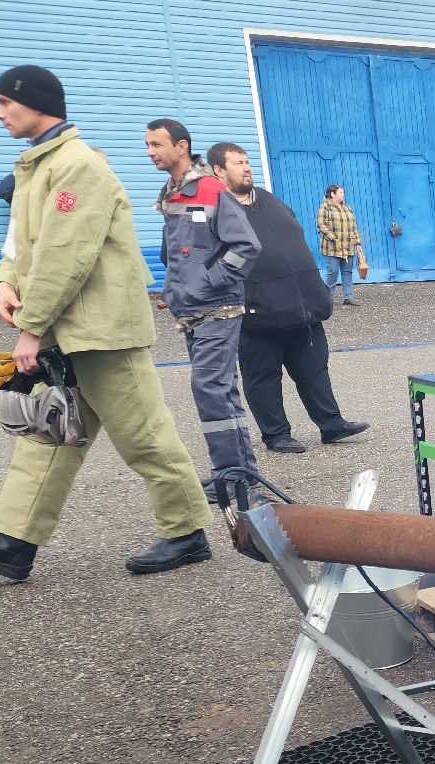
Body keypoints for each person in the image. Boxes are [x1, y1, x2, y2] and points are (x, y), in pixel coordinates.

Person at [0, 66, 214, 582]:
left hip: (104, 331)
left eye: (3, 102)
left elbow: (68, 254)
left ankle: (187, 532)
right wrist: (4, 283)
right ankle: (13, 542)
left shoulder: (79, 167)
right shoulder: (33, 169)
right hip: (67, 328)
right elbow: (20, 244)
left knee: (144, 435)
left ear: (35, 103)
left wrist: (31, 327)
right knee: (49, 432)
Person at [207, 143, 369, 451]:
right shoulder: (213, 209)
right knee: (263, 378)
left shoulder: (268, 199)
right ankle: (276, 434)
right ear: (219, 170)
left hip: (301, 307)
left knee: (314, 369)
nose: (246, 167)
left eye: (247, 161)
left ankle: (331, 424)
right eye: (238, 163)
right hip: (258, 314)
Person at [146, 118, 263, 499]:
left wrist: (208, 282)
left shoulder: (210, 189)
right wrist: (173, 289)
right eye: (147, 145)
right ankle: (238, 473)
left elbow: (247, 246)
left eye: (157, 144)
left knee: (209, 387)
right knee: (221, 389)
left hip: (218, 307)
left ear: (181, 146)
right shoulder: (172, 193)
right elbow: (179, 252)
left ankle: (231, 475)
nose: (151, 152)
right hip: (191, 310)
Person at [316, 183, 363, 306]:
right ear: (332, 194)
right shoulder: (324, 207)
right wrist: (334, 238)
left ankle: (348, 297)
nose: (343, 195)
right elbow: (321, 225)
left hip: (348, 247)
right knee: (333, 272)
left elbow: (353, 226)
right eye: (341, 192)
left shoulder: (347, 208)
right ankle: (327, 299)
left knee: (347, 272)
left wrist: (357, 241)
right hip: (332, 248)